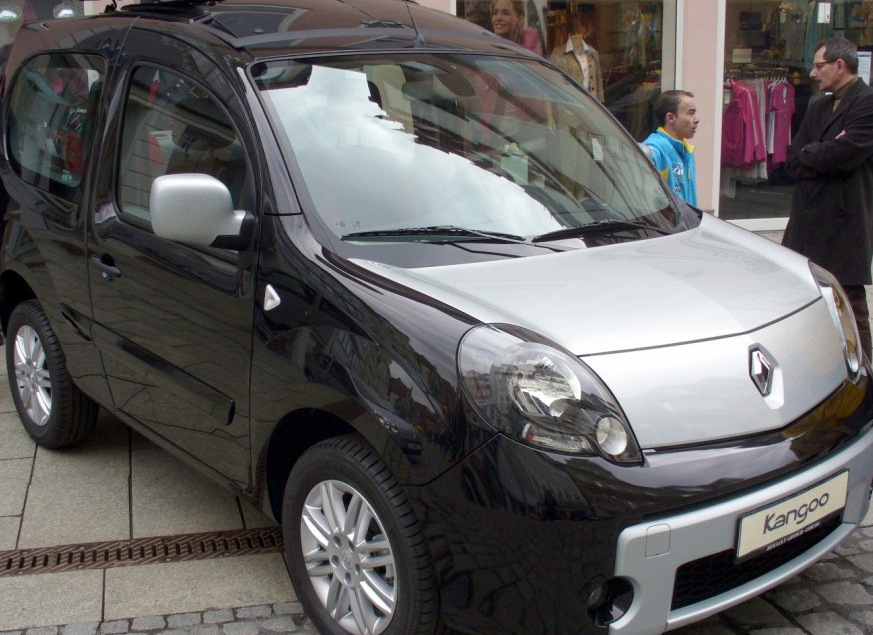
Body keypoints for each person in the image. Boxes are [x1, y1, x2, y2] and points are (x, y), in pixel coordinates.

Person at [782, 37, 873, 361]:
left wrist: (816, 152)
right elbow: (793, 159)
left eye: (819, 65)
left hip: (843, 224)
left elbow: (844, 154)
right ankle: (818, 368)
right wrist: (818, 151)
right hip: (806, 221)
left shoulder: (866, 102)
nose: (812, 73)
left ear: (840, 65)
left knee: (848, 305)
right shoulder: (819, 104)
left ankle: (864, 374)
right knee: (805, 300)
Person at [642, 90, 699, 205]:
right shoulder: (655, 149)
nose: (696, 119)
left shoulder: (686, 151)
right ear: (671, 118)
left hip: (687, 222)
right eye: (690, 113)